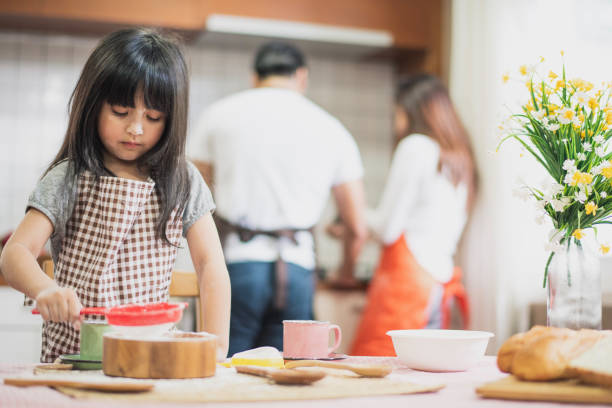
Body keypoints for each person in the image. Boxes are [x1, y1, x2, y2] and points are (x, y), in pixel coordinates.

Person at [0, 28, 231, 362]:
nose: (135, 128)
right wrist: (44, 288)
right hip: (76, 357)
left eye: (153, 117)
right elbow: (14, 253)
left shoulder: (182, 179)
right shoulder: (69, 176)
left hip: (149, 354)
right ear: (94, 106)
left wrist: (218, 346)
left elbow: (210, 265)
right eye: (121, 112)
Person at [188, 41, 367, 356]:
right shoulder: (331, 128)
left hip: (237, 266)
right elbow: (357, 225)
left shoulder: (219, 115)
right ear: (302, 77)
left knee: (223, 371)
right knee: (289, 376)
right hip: (298, 269)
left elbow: (195, 193)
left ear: (254, 77)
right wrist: (346, 272)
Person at [331, 74, 476, 356]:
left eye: (396, 111)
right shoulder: (459, 158)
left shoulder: (415, 147)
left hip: (407, 282)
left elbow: (388, 228)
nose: (396, 121)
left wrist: (352, 216)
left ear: (410, 110)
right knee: (422, 373)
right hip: (438, 283)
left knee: (379, 366)